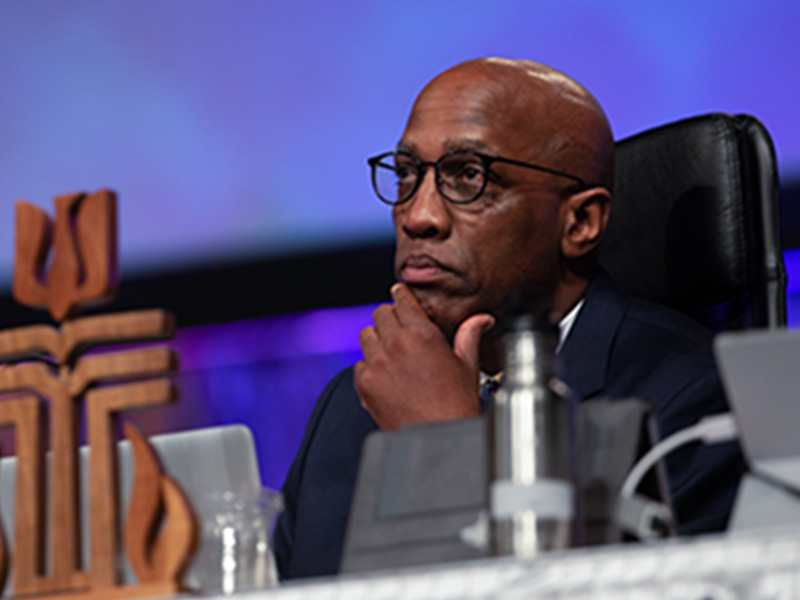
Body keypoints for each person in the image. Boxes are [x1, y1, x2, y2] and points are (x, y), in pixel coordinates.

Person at [272, 57, 744, 579]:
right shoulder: (351, 402)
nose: (417, 215)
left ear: (580, 221)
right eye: (407, 175)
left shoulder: (696, 403)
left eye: (469, 177)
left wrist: (448, 448)